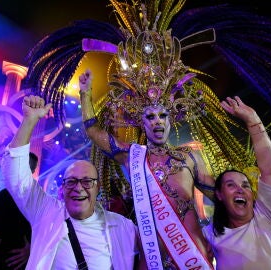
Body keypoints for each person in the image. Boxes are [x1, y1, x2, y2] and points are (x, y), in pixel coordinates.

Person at [79, 69, 216, 269]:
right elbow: (94, 131)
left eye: (163, 115)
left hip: (192, 254)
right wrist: (85, 94)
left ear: (171, 120)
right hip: (153, 258)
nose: (157, 121)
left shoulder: (189, 157)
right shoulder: (133, 156)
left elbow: (219, 196)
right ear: (142, 124)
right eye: (150, 117)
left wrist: (214, 236)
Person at [0, 95, 145, 270]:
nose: (78, 188)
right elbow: (15, 174)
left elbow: (157, 248)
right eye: (71, 181)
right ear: (62, 189)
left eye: (87, 181)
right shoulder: (46, 212)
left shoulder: (123, 226)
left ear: (97, 188)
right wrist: (29, 120)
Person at [203, 96, 271, 269]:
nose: (240, 190)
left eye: (246, 185)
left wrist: (253, 122)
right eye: (231, 185)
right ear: (219, 194)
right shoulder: (211, 236)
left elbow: (270, 171)